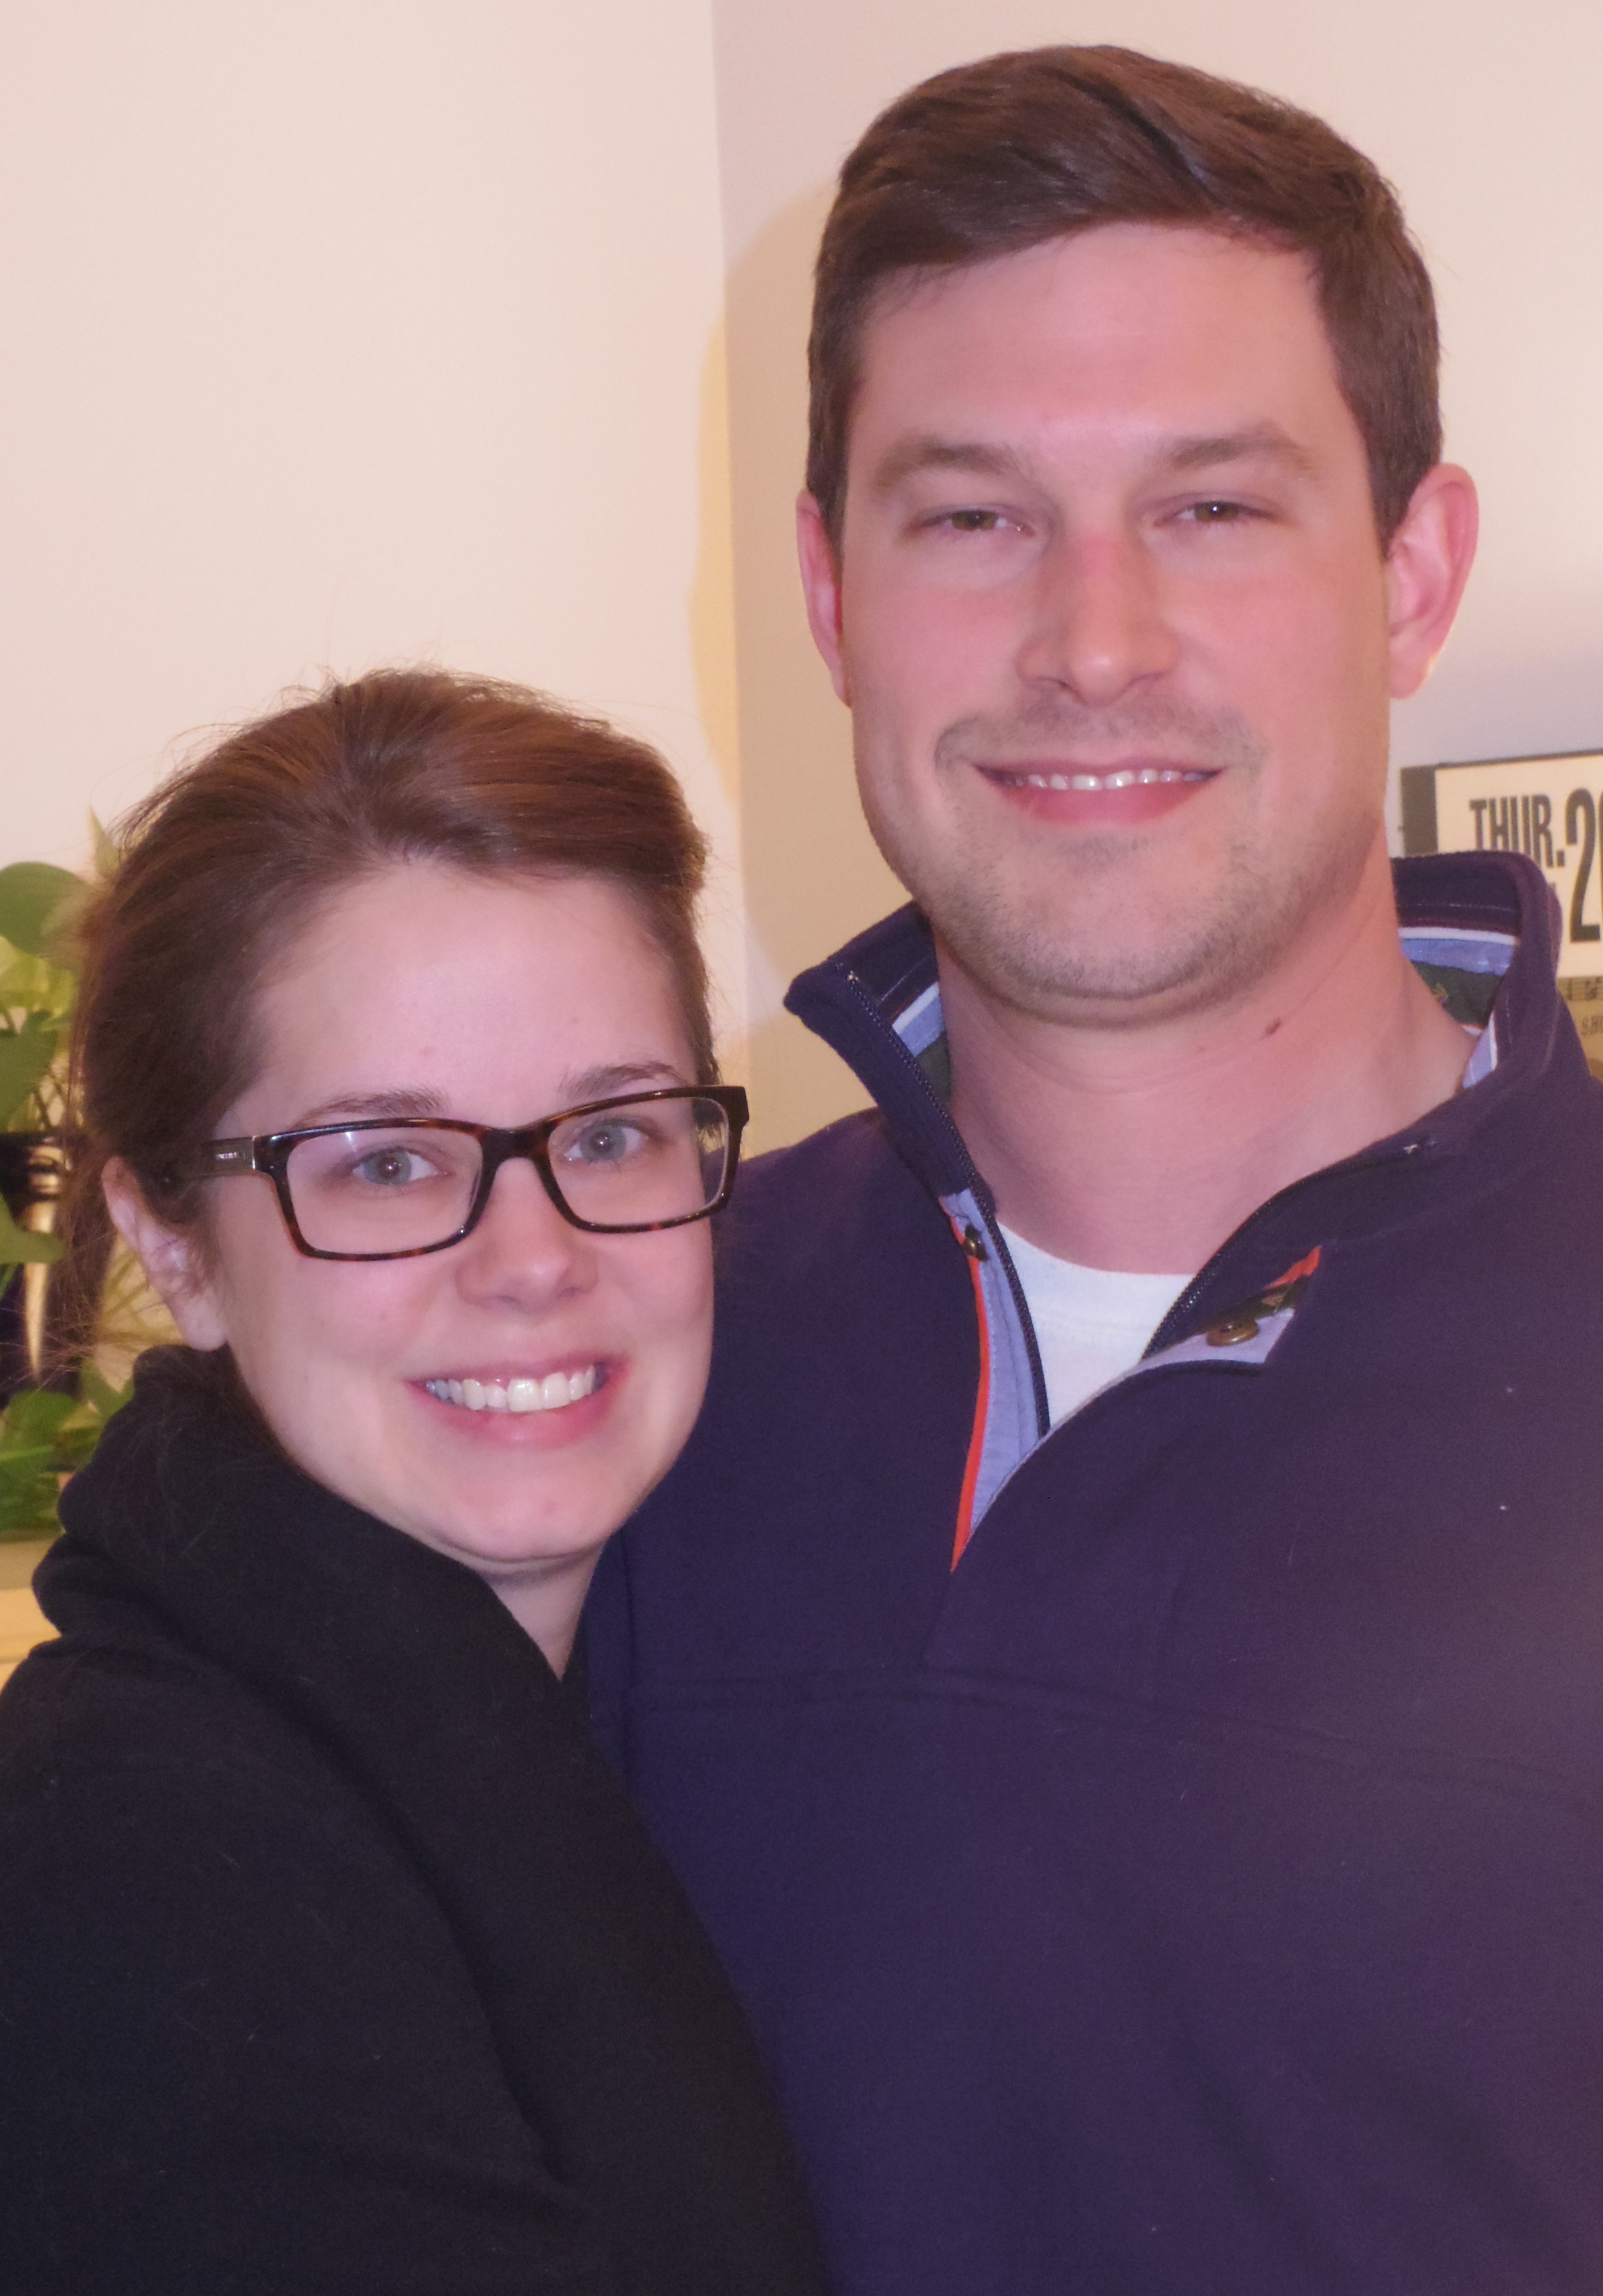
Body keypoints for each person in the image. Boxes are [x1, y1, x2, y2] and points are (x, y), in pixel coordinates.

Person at [587, 46, 1603, 2296]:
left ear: (1413, 573)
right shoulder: (628, 1348)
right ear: (827, 594)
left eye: (1211, 508)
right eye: (970, 517)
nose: (1093, 641)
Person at [0, 670, 830, 2296]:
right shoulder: (149, 1859)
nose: (534, 1257)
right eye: (387, 1162)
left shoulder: (648, 1718)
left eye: (611, 1134)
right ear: (176, 1243)